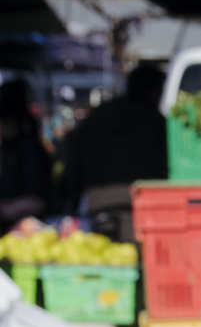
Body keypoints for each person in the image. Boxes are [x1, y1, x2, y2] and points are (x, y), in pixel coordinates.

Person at [55, 63, 168, 241]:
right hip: (139, 204)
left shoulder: (99, 116)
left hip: (97, 203)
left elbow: (74, 165)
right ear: (154, 91)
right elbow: (164, 167)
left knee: (105, 255)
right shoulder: (155, 121)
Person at [0, 79, 52, 231]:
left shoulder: (28, 149)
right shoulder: (10, 147)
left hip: (27, 230)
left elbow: (38, 199)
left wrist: (3, 210)